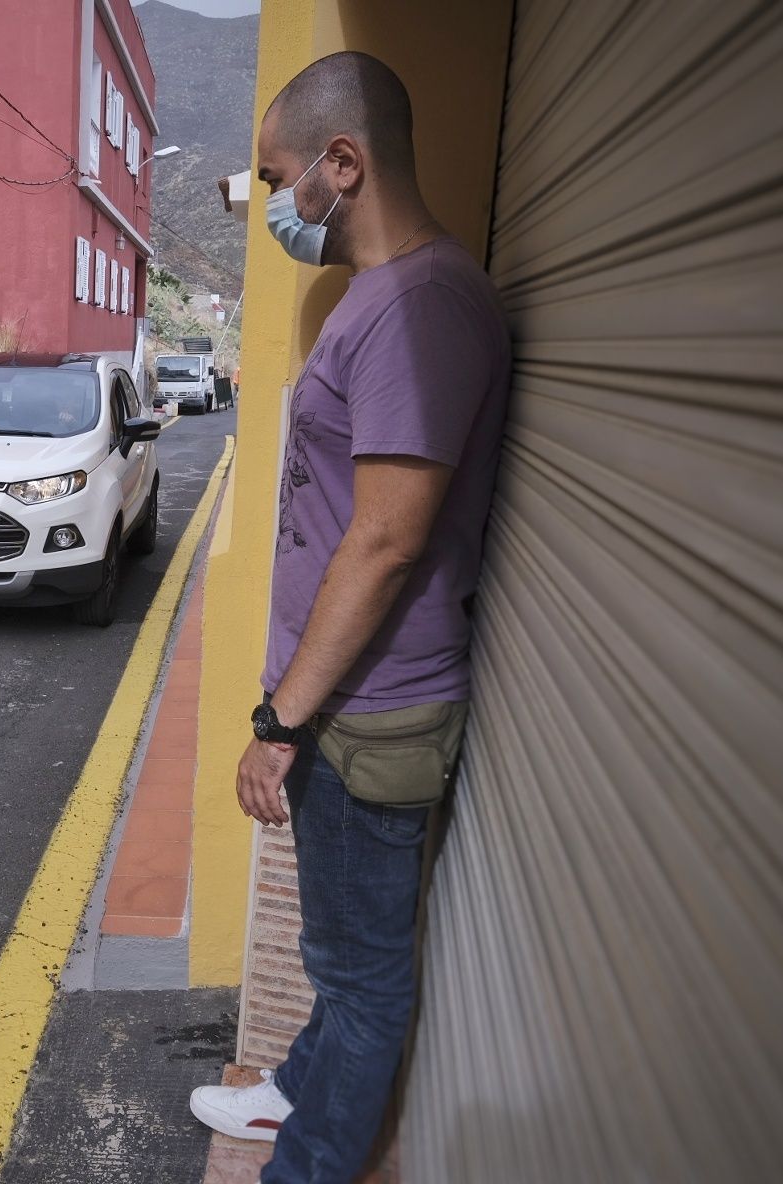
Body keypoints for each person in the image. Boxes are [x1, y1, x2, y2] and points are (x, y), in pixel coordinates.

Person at [186, 52, 511, 1184]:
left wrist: (280, 720)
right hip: (345, 701)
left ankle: (307, 1166)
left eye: (278, 179)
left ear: (342, 164)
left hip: (368, 711)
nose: (276, 204)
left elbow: (386, 538)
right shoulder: (388, 297)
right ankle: (295, 1090)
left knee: (367, 982)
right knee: (341, 957)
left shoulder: (422, 308)